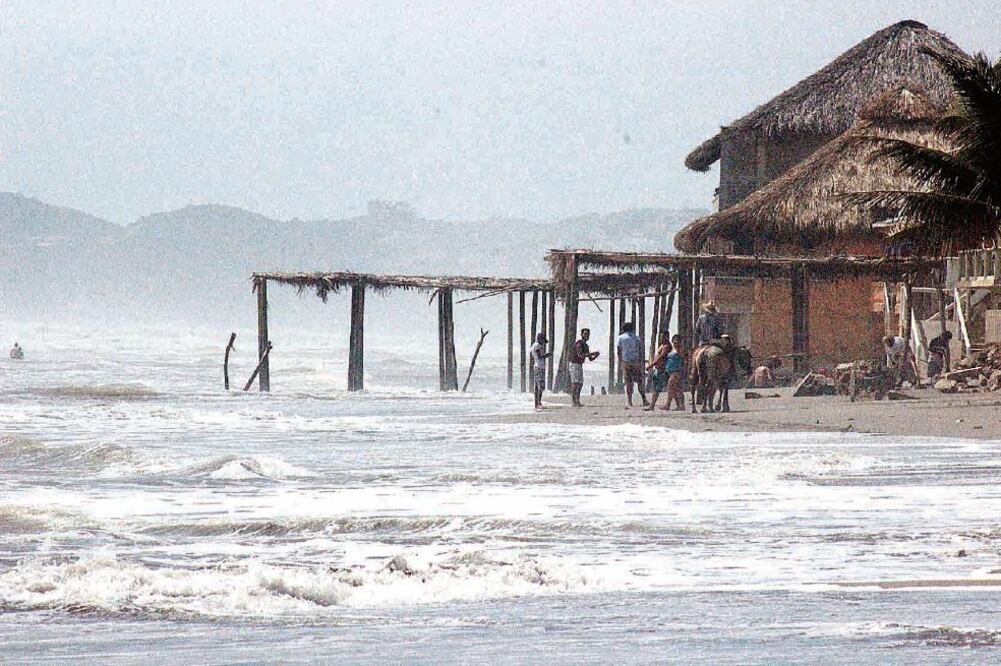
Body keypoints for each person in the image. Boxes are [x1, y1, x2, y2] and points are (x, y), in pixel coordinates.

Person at [616, 322, 648, 408]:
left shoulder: (621, 338)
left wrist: (620, 361)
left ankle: (630, 402)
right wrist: (641, 361)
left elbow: (619, 350)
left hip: (626, 362)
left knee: (629, 382)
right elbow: (640, 350)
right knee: (639, 381)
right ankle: (644, 399)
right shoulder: (637, 338)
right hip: (635, 361)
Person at [568, 328, 600, 407]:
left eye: (588, 334)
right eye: (585, 334)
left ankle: (577, 400)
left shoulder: (586, 345)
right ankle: (574, 401)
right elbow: (580, 355)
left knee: (580, 383)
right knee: (575, 383)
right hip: (574, 364)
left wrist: (595, 356)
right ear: (582, 334)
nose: (587, 336)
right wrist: (592, 353)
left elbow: (590, 359)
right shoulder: (579, 343)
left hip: (579, 365)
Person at [644, 332, 672, 411]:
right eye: (660, 337)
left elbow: (661, 358)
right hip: (658, 369)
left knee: (658, 388)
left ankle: (652, 406)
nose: (661, 338)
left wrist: (650, 366)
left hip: (662, 370)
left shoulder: (666, 346)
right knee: (672, 388)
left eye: (663, 337)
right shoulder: (662, 346)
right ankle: (679, 405)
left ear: (667, 337)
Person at [529, 333, 551, 410]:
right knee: (540, 386)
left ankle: (538, 403)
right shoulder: (537, 346)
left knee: (537, 386)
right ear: (540, 339)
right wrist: (547, 355)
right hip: (539, 367)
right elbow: (539, 357)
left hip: (537, 367)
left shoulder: (534, 345)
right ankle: (537, 403)